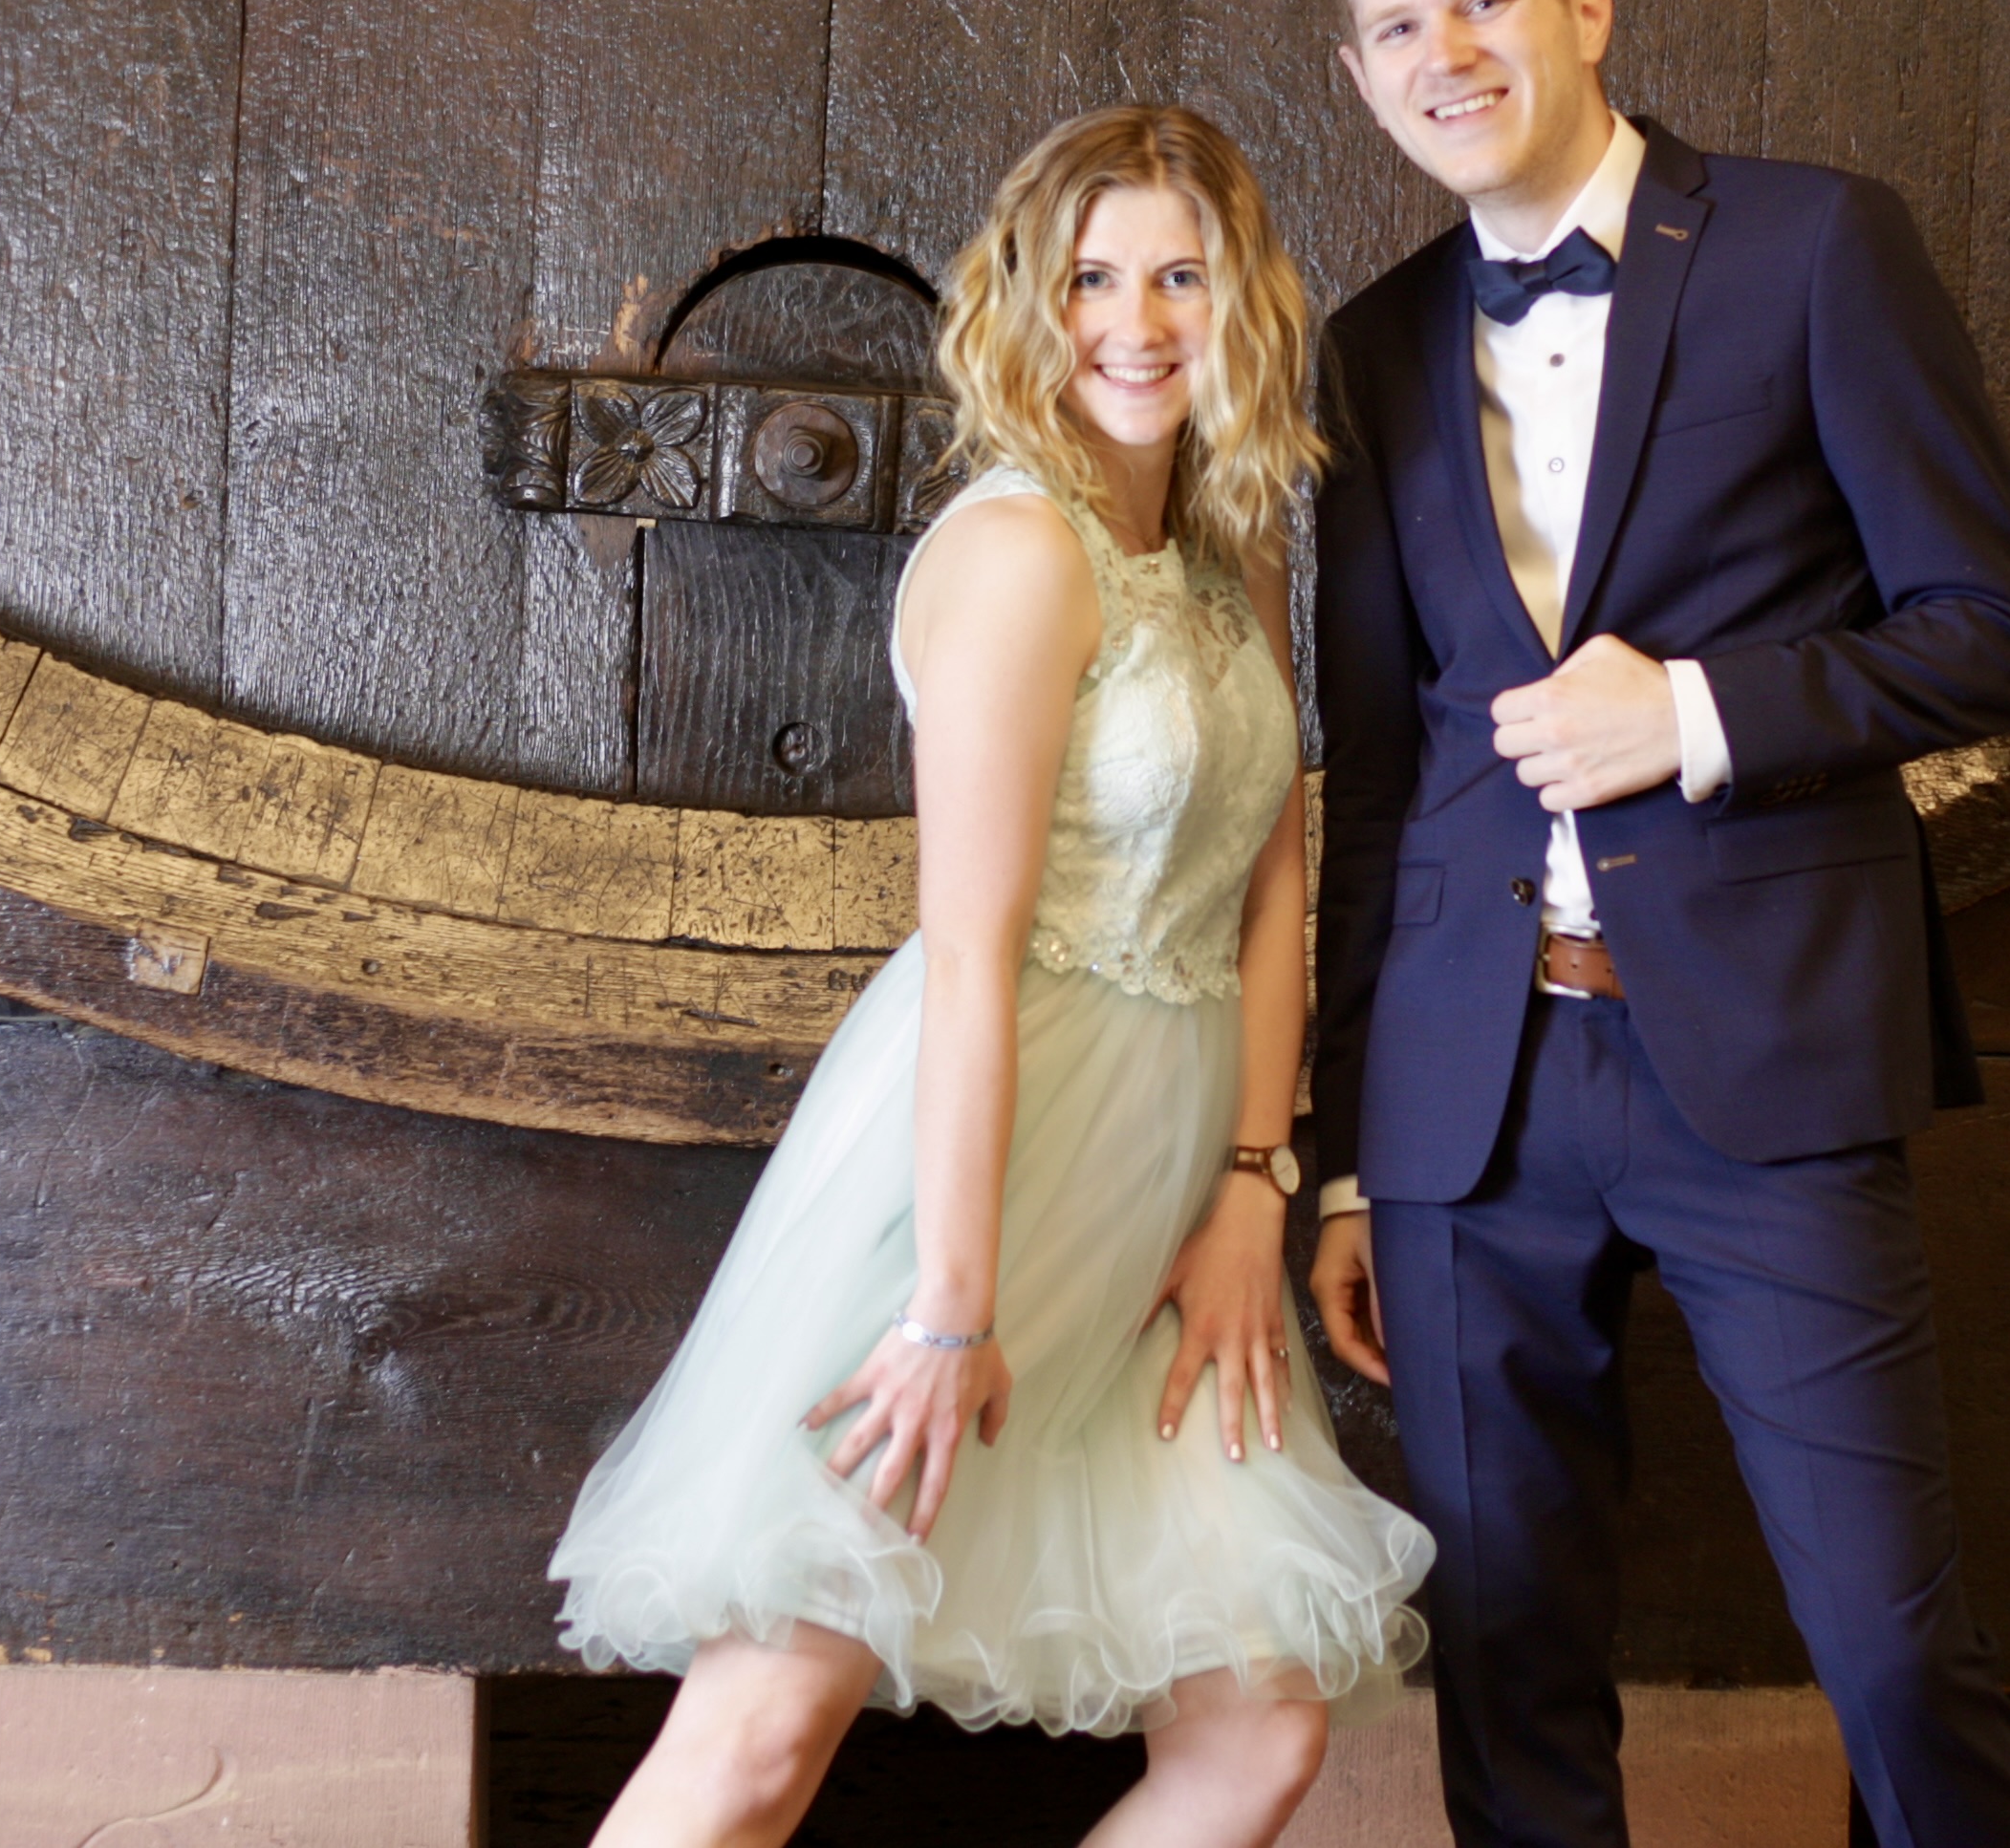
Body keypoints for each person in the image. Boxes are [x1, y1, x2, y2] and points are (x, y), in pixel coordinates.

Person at [1300, 0, 2010, 1848]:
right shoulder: (1367, 349)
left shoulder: (1817, 246)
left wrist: (1699, 717)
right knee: (1510, 1680)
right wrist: (1352, 1154)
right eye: (1401, 28)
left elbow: (2000, 637)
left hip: (1768, 1063)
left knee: (1895, 1653)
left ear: (1585, 6)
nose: (1449, 53)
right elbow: (1378, 781)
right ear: (1363, 77)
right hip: (1467, 1101)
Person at [553, 105, 1433, 1848]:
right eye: (1093, 278)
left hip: (1177, 1186)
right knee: (760, 1735)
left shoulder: (1233, 533)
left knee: (1257, 1734)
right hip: (976, 1179)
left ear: (1245, 300)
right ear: (1030, 302)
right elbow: (968, 956)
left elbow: (1274, 871)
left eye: (1182, 276)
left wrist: (1256, 1178)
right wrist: (950, 1308)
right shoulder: (1019, 552)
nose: (1138, 323)